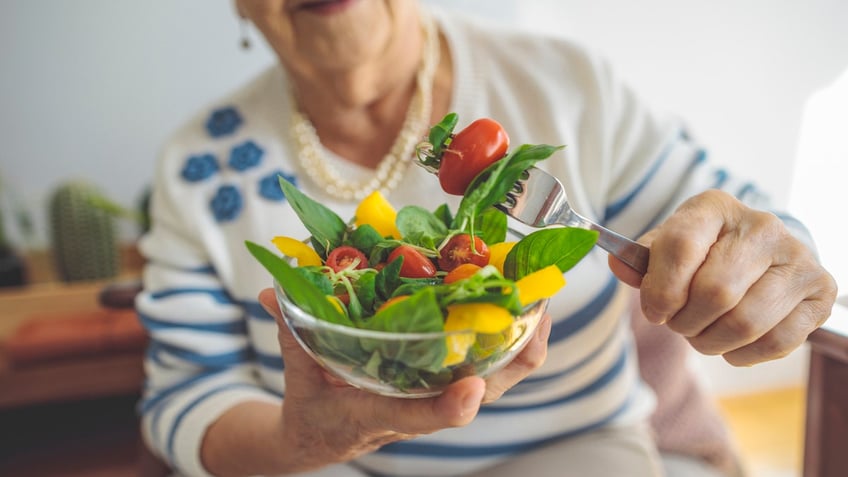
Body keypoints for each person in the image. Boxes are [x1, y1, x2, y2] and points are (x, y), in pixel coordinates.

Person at [135, 1, 837, 476]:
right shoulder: (199, 165)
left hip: (581, 451)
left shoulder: (565, 85)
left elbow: (745, 221)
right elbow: (185, 398)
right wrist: (307, 438)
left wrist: (775, 257)